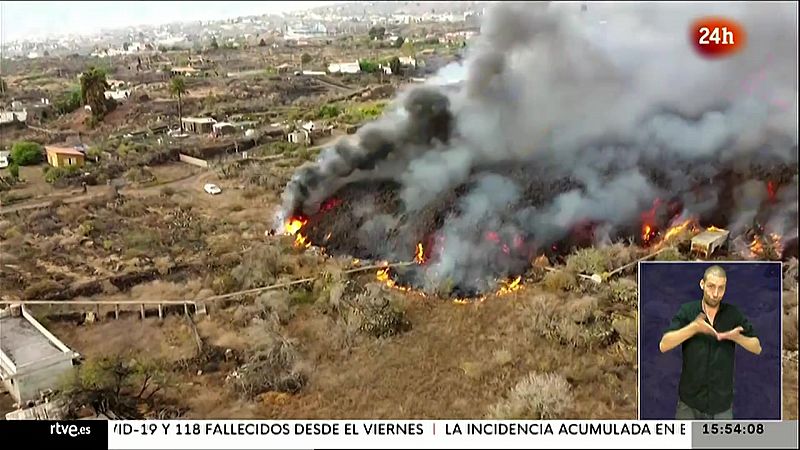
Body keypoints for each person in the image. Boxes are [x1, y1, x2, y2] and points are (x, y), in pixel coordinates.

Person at [658, 265, 762, 419]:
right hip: (689, 404)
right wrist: (694, 328)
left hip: (721, 406)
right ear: (702, 284)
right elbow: (664, 345)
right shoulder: (687, 311)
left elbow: (757, 348)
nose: (715, 294)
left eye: (721, 288)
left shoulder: (733, 314)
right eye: (711, 287)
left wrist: (736, 337)